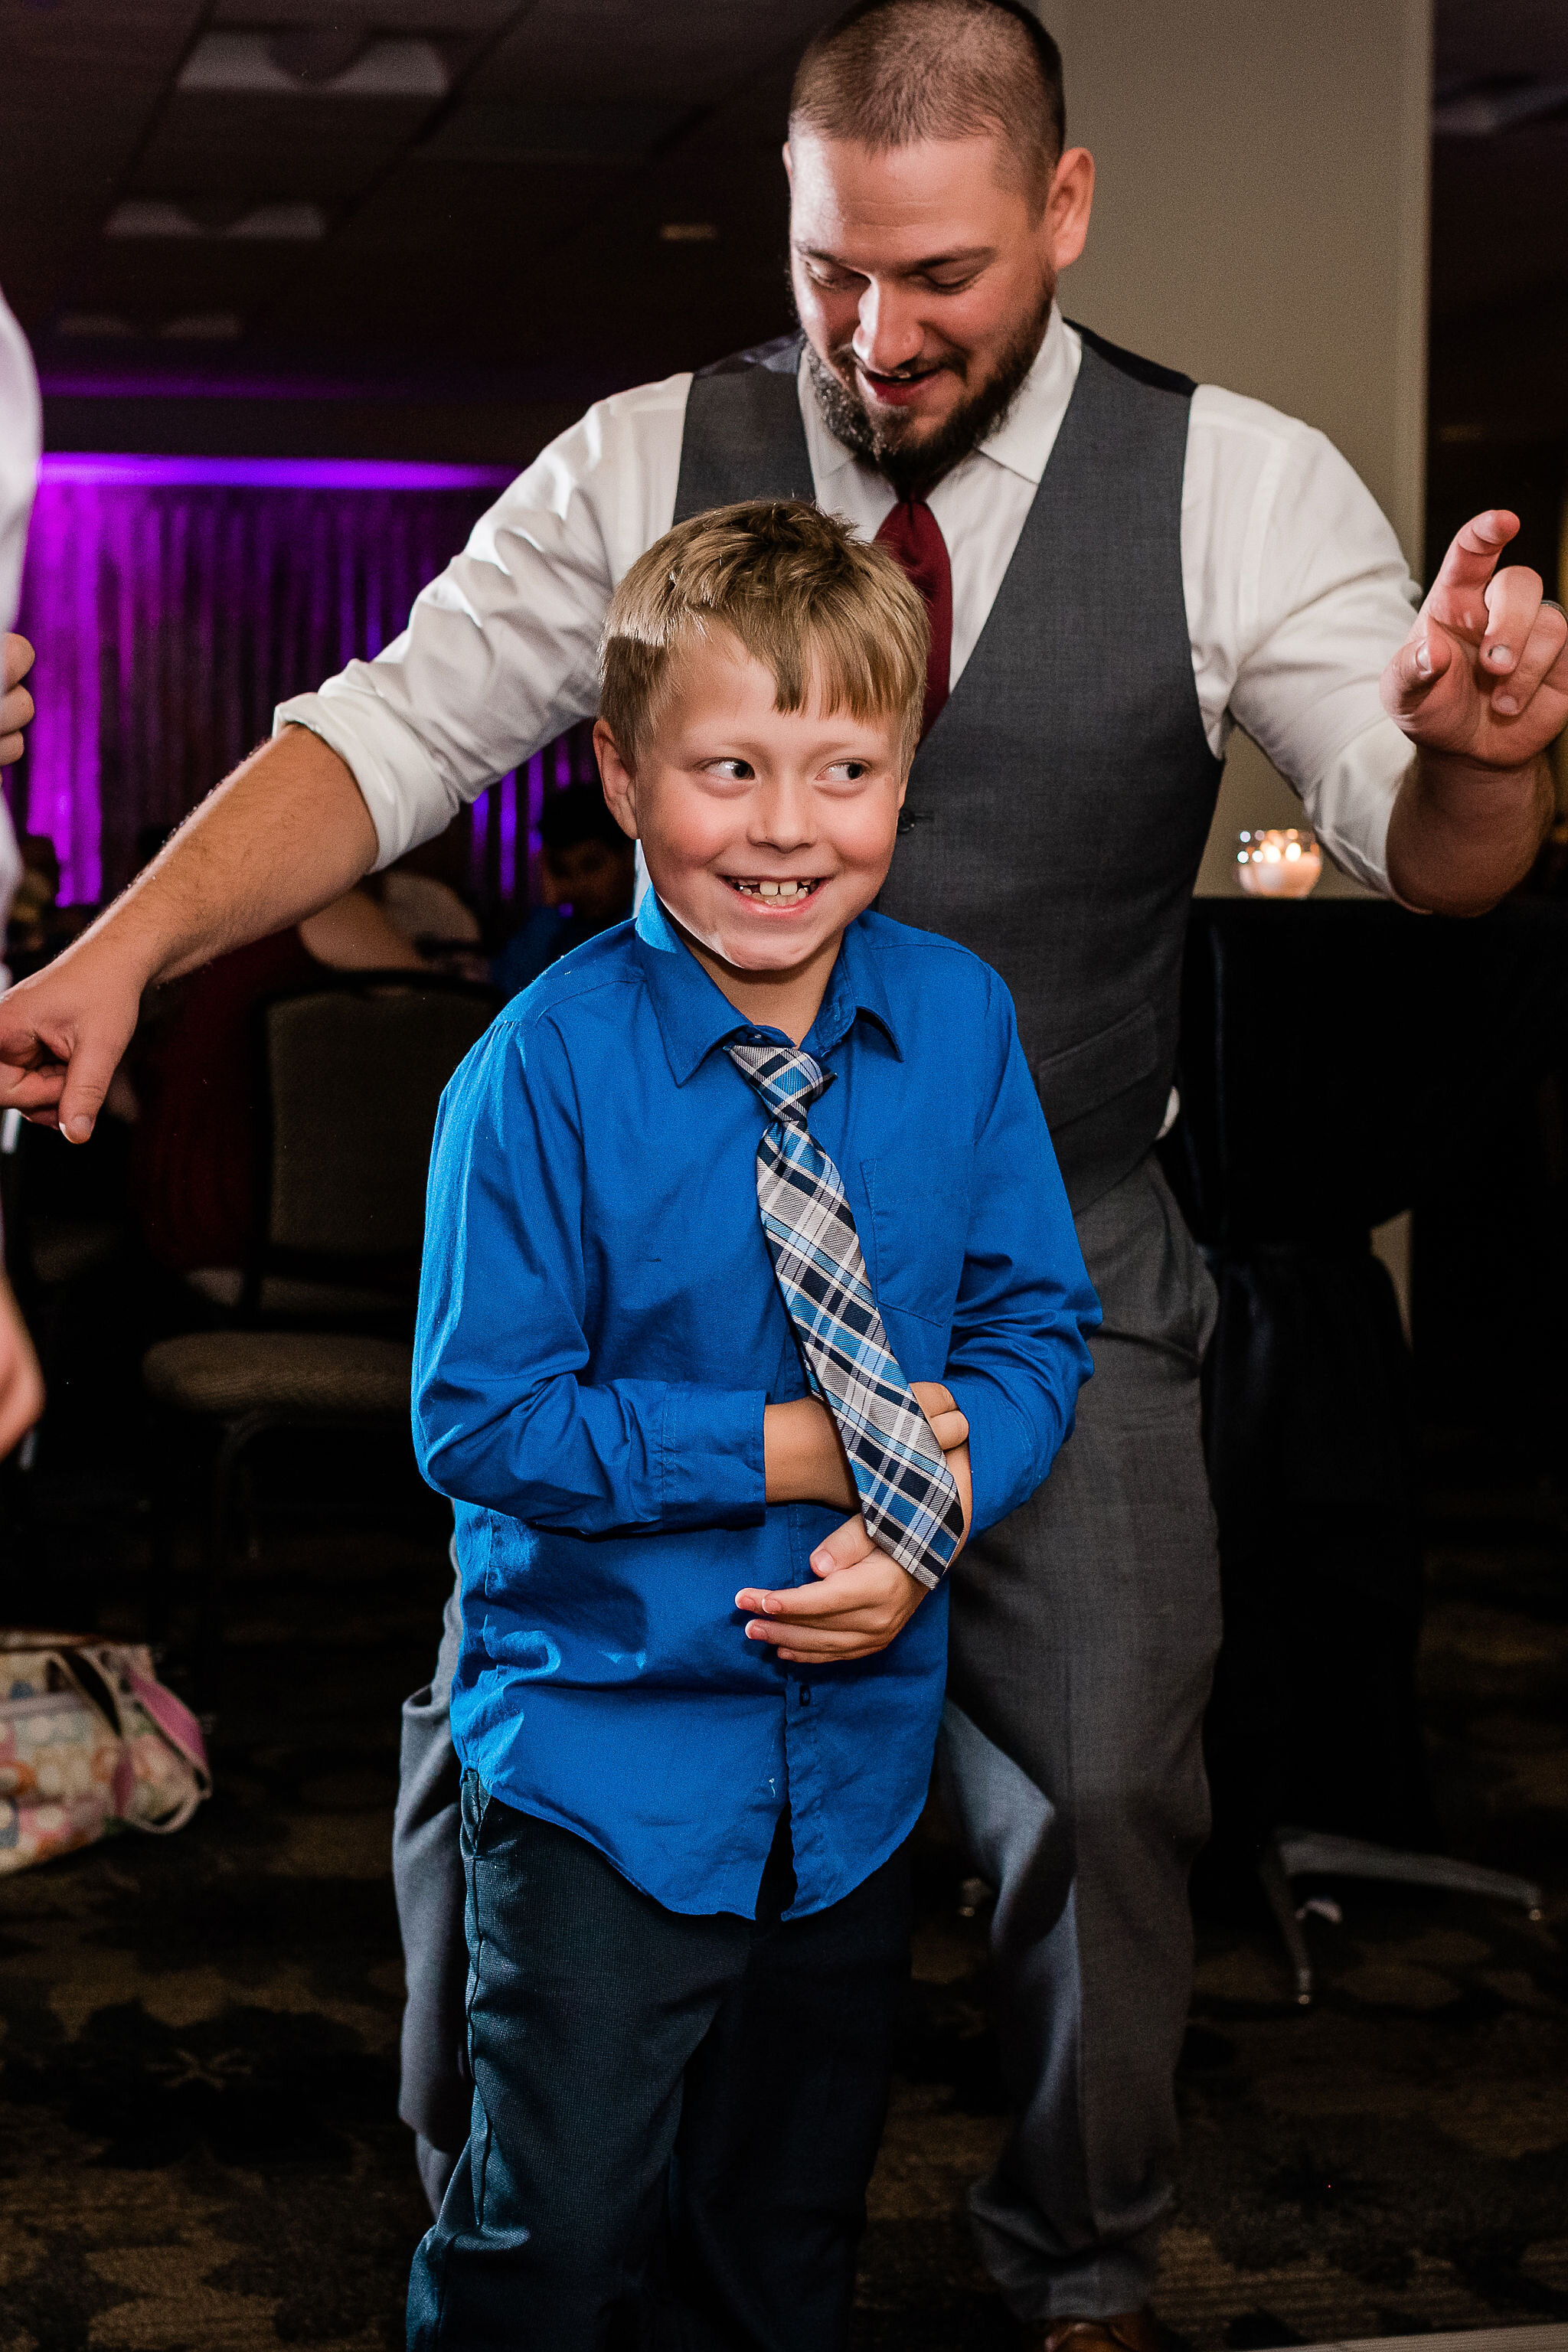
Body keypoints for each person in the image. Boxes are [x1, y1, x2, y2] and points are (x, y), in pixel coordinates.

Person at [0, 3, 1564, 2338]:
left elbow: (1416, 841)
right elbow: (398, 726)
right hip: (658, 1264)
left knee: (1111, 1790)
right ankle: (508, 2163)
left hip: (1051, 1238)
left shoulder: (1230, 478)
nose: (869, 330)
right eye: (831, 266)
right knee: (521, 1734)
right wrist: (120, 948)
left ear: (1060, 208)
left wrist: (1492, 756)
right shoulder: (647, 452)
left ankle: (1079, 2270)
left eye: (932, 274)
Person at [406, 497, 1097, 2348]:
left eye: (843, 768)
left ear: (900, 774)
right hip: (603, 1771)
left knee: (781, 2241)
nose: (785, 826)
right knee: (549, 2244)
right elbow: (481, 1420)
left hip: (857, 1769)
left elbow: (1036, 1323)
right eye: (726, 766)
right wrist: (814, 1447)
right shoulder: (536, 1067)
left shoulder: (956, 1021)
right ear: (622, 772)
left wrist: (931, 1514)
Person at [126, 889, 423, 1279]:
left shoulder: (183, 911)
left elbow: (124, 1099)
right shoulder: (319, 905)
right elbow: (445, 1022)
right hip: (261, 1218)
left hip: (169, 1201)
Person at [491, 779, 637, 998]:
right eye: (563, 872)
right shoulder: (567, 931)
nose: (579, 885)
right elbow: (512, 991)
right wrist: (549, 902)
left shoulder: (646, 927)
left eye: (592, 865)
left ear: (628, 855)